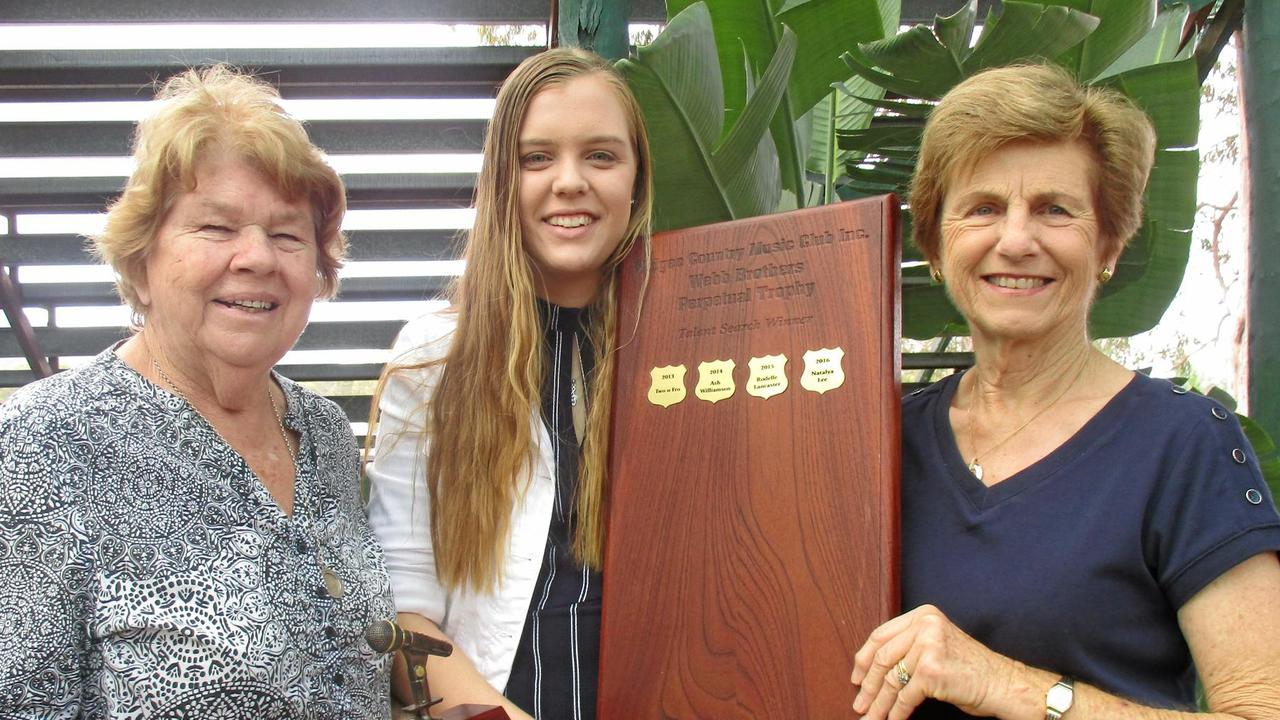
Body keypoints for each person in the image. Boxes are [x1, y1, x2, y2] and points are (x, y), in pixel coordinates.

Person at [850, 63, 1280, 720]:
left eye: (1054, 209)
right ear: (935, 245)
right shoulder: (881, 443)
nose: (1016, 240)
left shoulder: (1183, 445)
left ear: (1107, 241)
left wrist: (1015, 687)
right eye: (984, 208)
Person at [0, 66, 394, 717]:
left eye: (288, 233)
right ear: (139, 259)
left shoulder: (324, 432)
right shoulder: (48, 444)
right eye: (216, 227)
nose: (258, 257)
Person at [365, 48, 652, 720]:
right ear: (501, 180)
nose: (570, 181)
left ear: (637, 181)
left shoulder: (691, 347)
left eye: (602, 157)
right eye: (537, 158)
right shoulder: (435, 354)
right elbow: (403, 619)